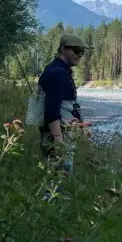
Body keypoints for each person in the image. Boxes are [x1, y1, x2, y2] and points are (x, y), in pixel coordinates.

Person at [39, 32, 86, 174]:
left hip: (60, 132)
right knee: (58, 178)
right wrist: (58, 140)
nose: (79, 55)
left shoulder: (57, 69)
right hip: (59, 135)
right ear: (63, 49)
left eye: (82, 52)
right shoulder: (58, 73)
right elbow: (52, 110)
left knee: (57, 177)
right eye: (76, 51)